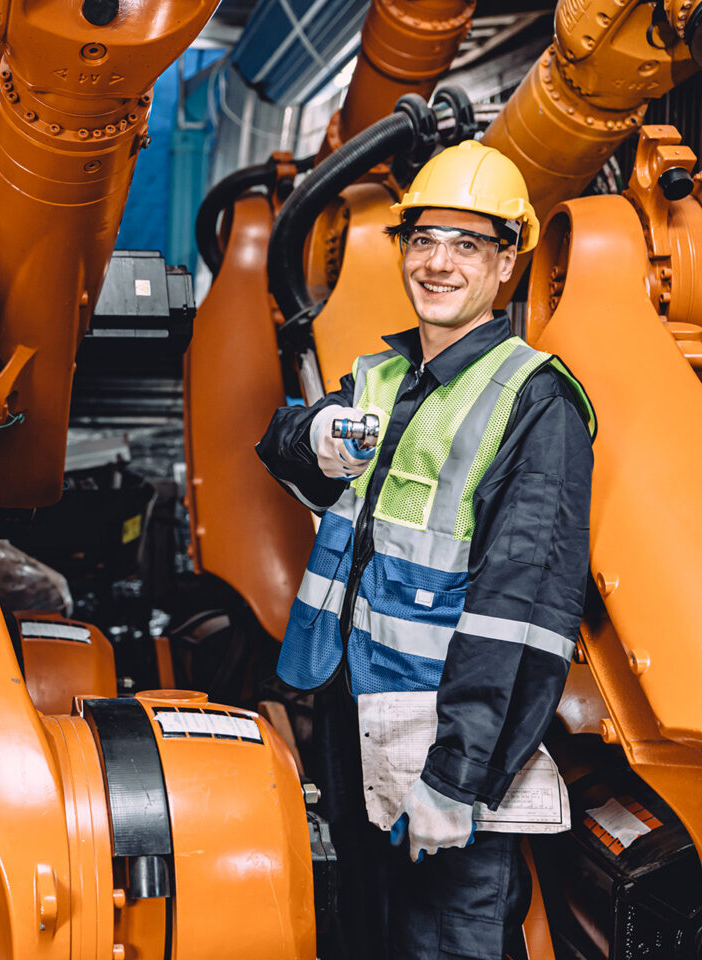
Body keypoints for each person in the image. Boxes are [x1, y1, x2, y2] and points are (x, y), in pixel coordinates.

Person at [256, 140, 595, 958]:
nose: (438, 264)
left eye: (467, 244)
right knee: (368, 932)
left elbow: (523, 613)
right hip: (356, 715)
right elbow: (280, 445)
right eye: (423, 240)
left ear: (506, 263)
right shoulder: (384, 375)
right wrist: (316, 433)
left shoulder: (535, 401)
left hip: (442, 736)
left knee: (445, 940)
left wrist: (458, 777)